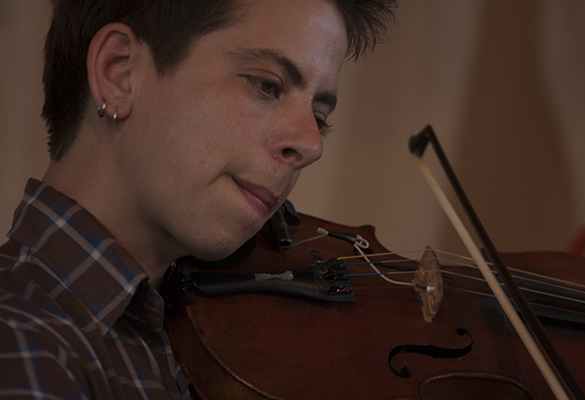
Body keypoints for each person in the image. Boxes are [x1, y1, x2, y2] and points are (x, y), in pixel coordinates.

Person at [0, 0, 396, 398]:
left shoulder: (185, 336)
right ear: (119, 74)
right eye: (267, 85)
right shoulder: (22, 346)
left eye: (319, 119)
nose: (311, 145)